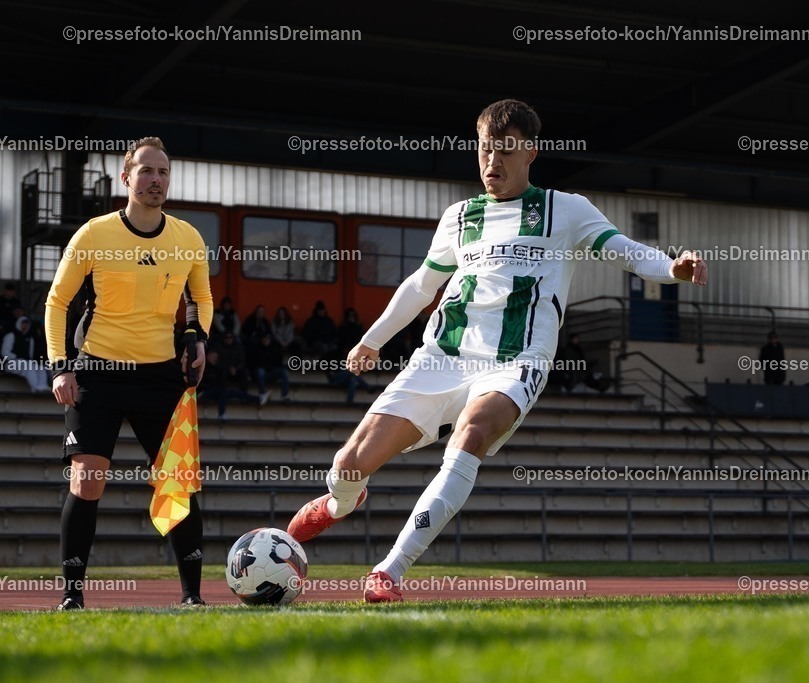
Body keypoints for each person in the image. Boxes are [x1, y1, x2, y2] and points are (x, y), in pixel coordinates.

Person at [285, 99, 709, 602]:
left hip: (516, 361)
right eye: (486, 149)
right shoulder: (460, 217)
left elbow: (626, 252)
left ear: (531, 152)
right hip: (441, 358)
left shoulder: (566, 210)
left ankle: (389, 570)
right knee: (348, 465)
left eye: (506, 150)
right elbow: (423, 286)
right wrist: (372, 339)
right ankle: (338, 505)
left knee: (470, 435)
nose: (493, 162)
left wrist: (672, 268)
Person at [45, 136, 213, 611]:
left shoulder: (187, 238)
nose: (155, 180)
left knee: (175, 480)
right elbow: (57, 302)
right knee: (87, 479)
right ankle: (73, 597)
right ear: (126, 177)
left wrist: (197, 336)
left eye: (163, 172)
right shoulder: (95, 234)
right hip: (98, 373)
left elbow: (201, 299)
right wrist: (61, 366)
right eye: (146, 171)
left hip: (160, 377)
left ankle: (192, 597)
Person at [1, 316, 51, 392]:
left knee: (40, 368)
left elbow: (30, 355)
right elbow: (4, 352)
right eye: (23, 324)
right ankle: (34, 389)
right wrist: (15, 357)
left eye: (26, 324)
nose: (25, 326)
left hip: (26, 362)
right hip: (11, 363)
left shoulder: (30, 339)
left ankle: (42, 386)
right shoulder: (11, 336)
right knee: (29, 368)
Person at [250, 333, 290, 403]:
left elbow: (279, 363)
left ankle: (284, 395)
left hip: (270, 373)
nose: (266, 340)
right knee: (261, 371)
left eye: (268, 338)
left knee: (284, 371)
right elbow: (252, 364)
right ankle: (262, 395)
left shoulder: (275, 349)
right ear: (261, 339)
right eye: (264, 338)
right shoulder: (256, 348)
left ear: (270, 340)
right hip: (258, 374)